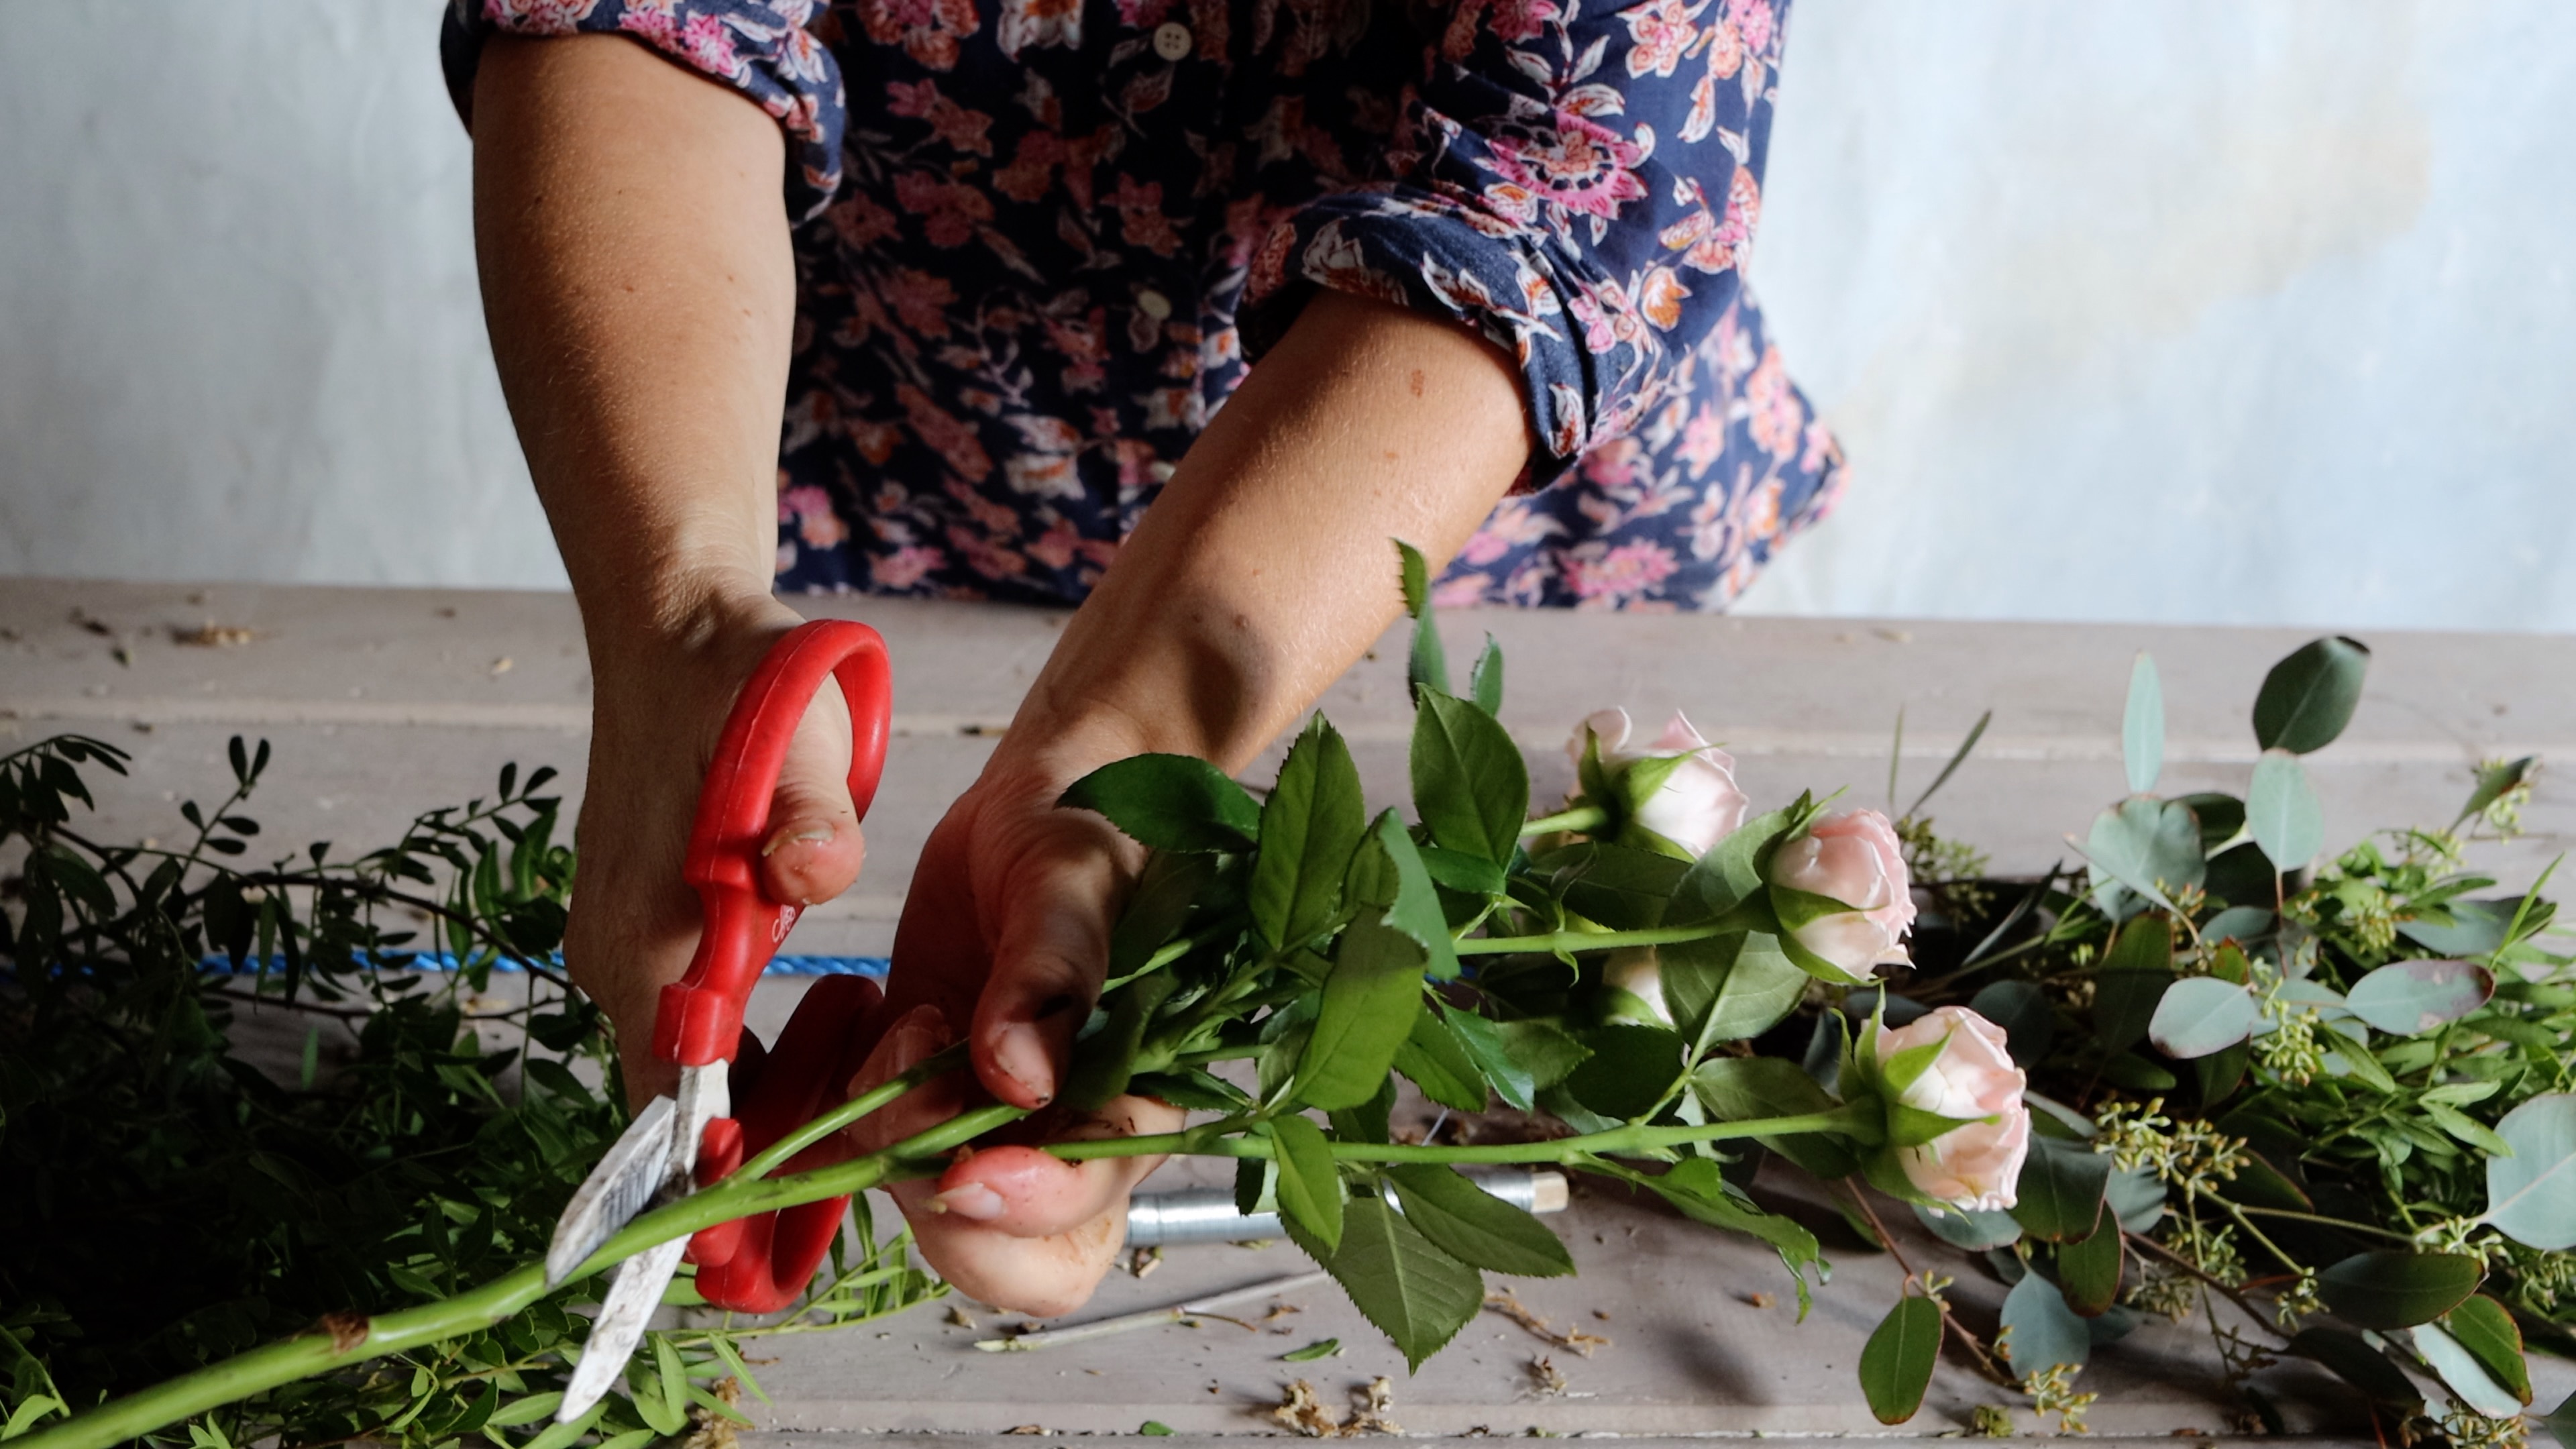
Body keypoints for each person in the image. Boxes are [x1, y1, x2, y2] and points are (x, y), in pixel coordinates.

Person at [444, 0, 1843, 1318]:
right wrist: (682, 619)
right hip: (895, 478)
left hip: (1475, 552)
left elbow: (1556, 194)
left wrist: (1119, 753)